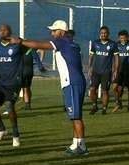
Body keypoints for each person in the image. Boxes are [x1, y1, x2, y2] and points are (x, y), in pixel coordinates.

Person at [9, 20, 88, 155]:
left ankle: (82, 146)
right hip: (75, 81)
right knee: (74, 115)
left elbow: (40, 45)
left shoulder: (62, 41)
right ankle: (76, 143)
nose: (52, 33)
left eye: (54, 30)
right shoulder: (71, 43)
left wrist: (21, 41)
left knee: (76, 116)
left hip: (72, 82)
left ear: (61, 32)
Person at [0, 24, 24, 147]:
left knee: (9, 106)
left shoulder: (17, 43)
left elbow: (30, 51)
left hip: (13, 83)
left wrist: (35, 65)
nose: (2, 32)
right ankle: (1, 128)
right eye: (0, 30)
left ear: (10, 32)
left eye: (5, 30)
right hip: (0, 83)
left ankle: (15, 134)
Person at [88, 26, 119, 115]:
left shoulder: (112, 44)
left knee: (105, 90)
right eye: (102, 33)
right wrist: (90, 67)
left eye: (105, 33)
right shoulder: (95, 43)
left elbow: (116, 58)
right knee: (92, 89)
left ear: (108, 34)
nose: (103, 34)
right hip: (96, 71)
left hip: (106, 72)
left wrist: (115, 70)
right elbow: (91, 56)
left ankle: (104, 108)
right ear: (99, 34)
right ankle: (94, 106)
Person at [112, 30, 129, 112]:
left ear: (127, 37)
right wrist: (114, 69)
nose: (123, 40)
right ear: (119, 38)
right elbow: (114, 58)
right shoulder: (116, 45)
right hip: (119, 70)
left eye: (124, 38)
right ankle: (118, 103)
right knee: (115, 87)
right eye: (121, 38)